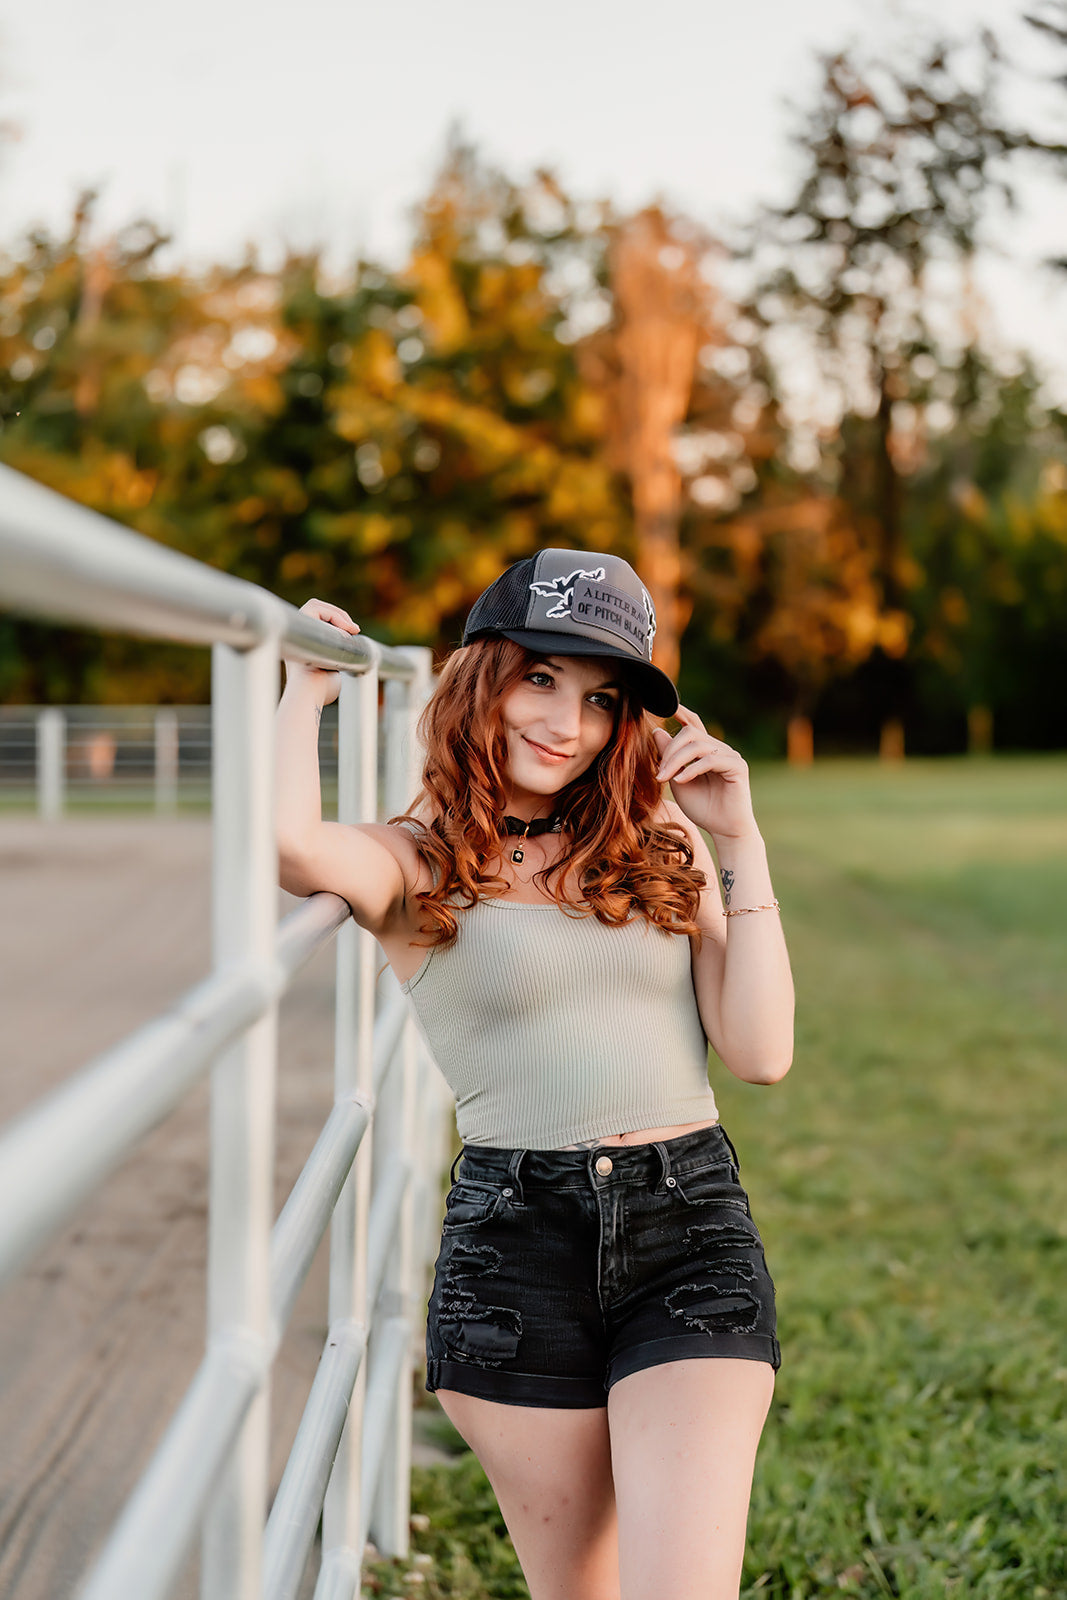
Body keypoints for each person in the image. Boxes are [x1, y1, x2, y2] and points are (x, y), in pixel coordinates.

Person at [275, 547, 795, 1600]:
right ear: (482, 677)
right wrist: (303, 692)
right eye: (538, 677)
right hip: (514, 1255)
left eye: (600, 699)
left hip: (685, 1231)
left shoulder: (655, 843)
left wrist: (739, 842)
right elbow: (291, 848)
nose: (566, 721)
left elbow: (760, 1052)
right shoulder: (418, 860)